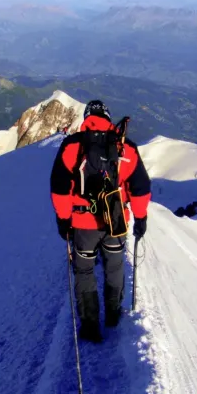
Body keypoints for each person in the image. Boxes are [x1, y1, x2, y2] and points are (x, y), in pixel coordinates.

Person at [50, 100, 151, 342]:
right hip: (115, 222)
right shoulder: (126, 148)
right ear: (108, 118)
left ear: (86, 118)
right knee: (114, 267)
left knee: (84, 270)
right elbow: (140, 188)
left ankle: (90, 325)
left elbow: (60, 188)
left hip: (83, 223)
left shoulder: (72, 146)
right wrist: (140, 217)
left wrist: (64, 221)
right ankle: (114, 315)